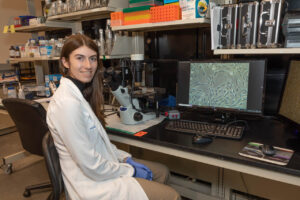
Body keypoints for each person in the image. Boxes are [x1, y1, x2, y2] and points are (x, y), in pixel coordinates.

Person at [46, 34, 181, 200]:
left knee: (162, 172)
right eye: (80, 58)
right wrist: (130, 170)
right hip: (92, 186)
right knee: (173, 196)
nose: (88, 65)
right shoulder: (67, 104)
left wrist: (124, 157)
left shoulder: (78, 95)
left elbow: (100, 144)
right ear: (65, 62)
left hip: (102, 169)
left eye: (93, 59)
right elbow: (90, 166)